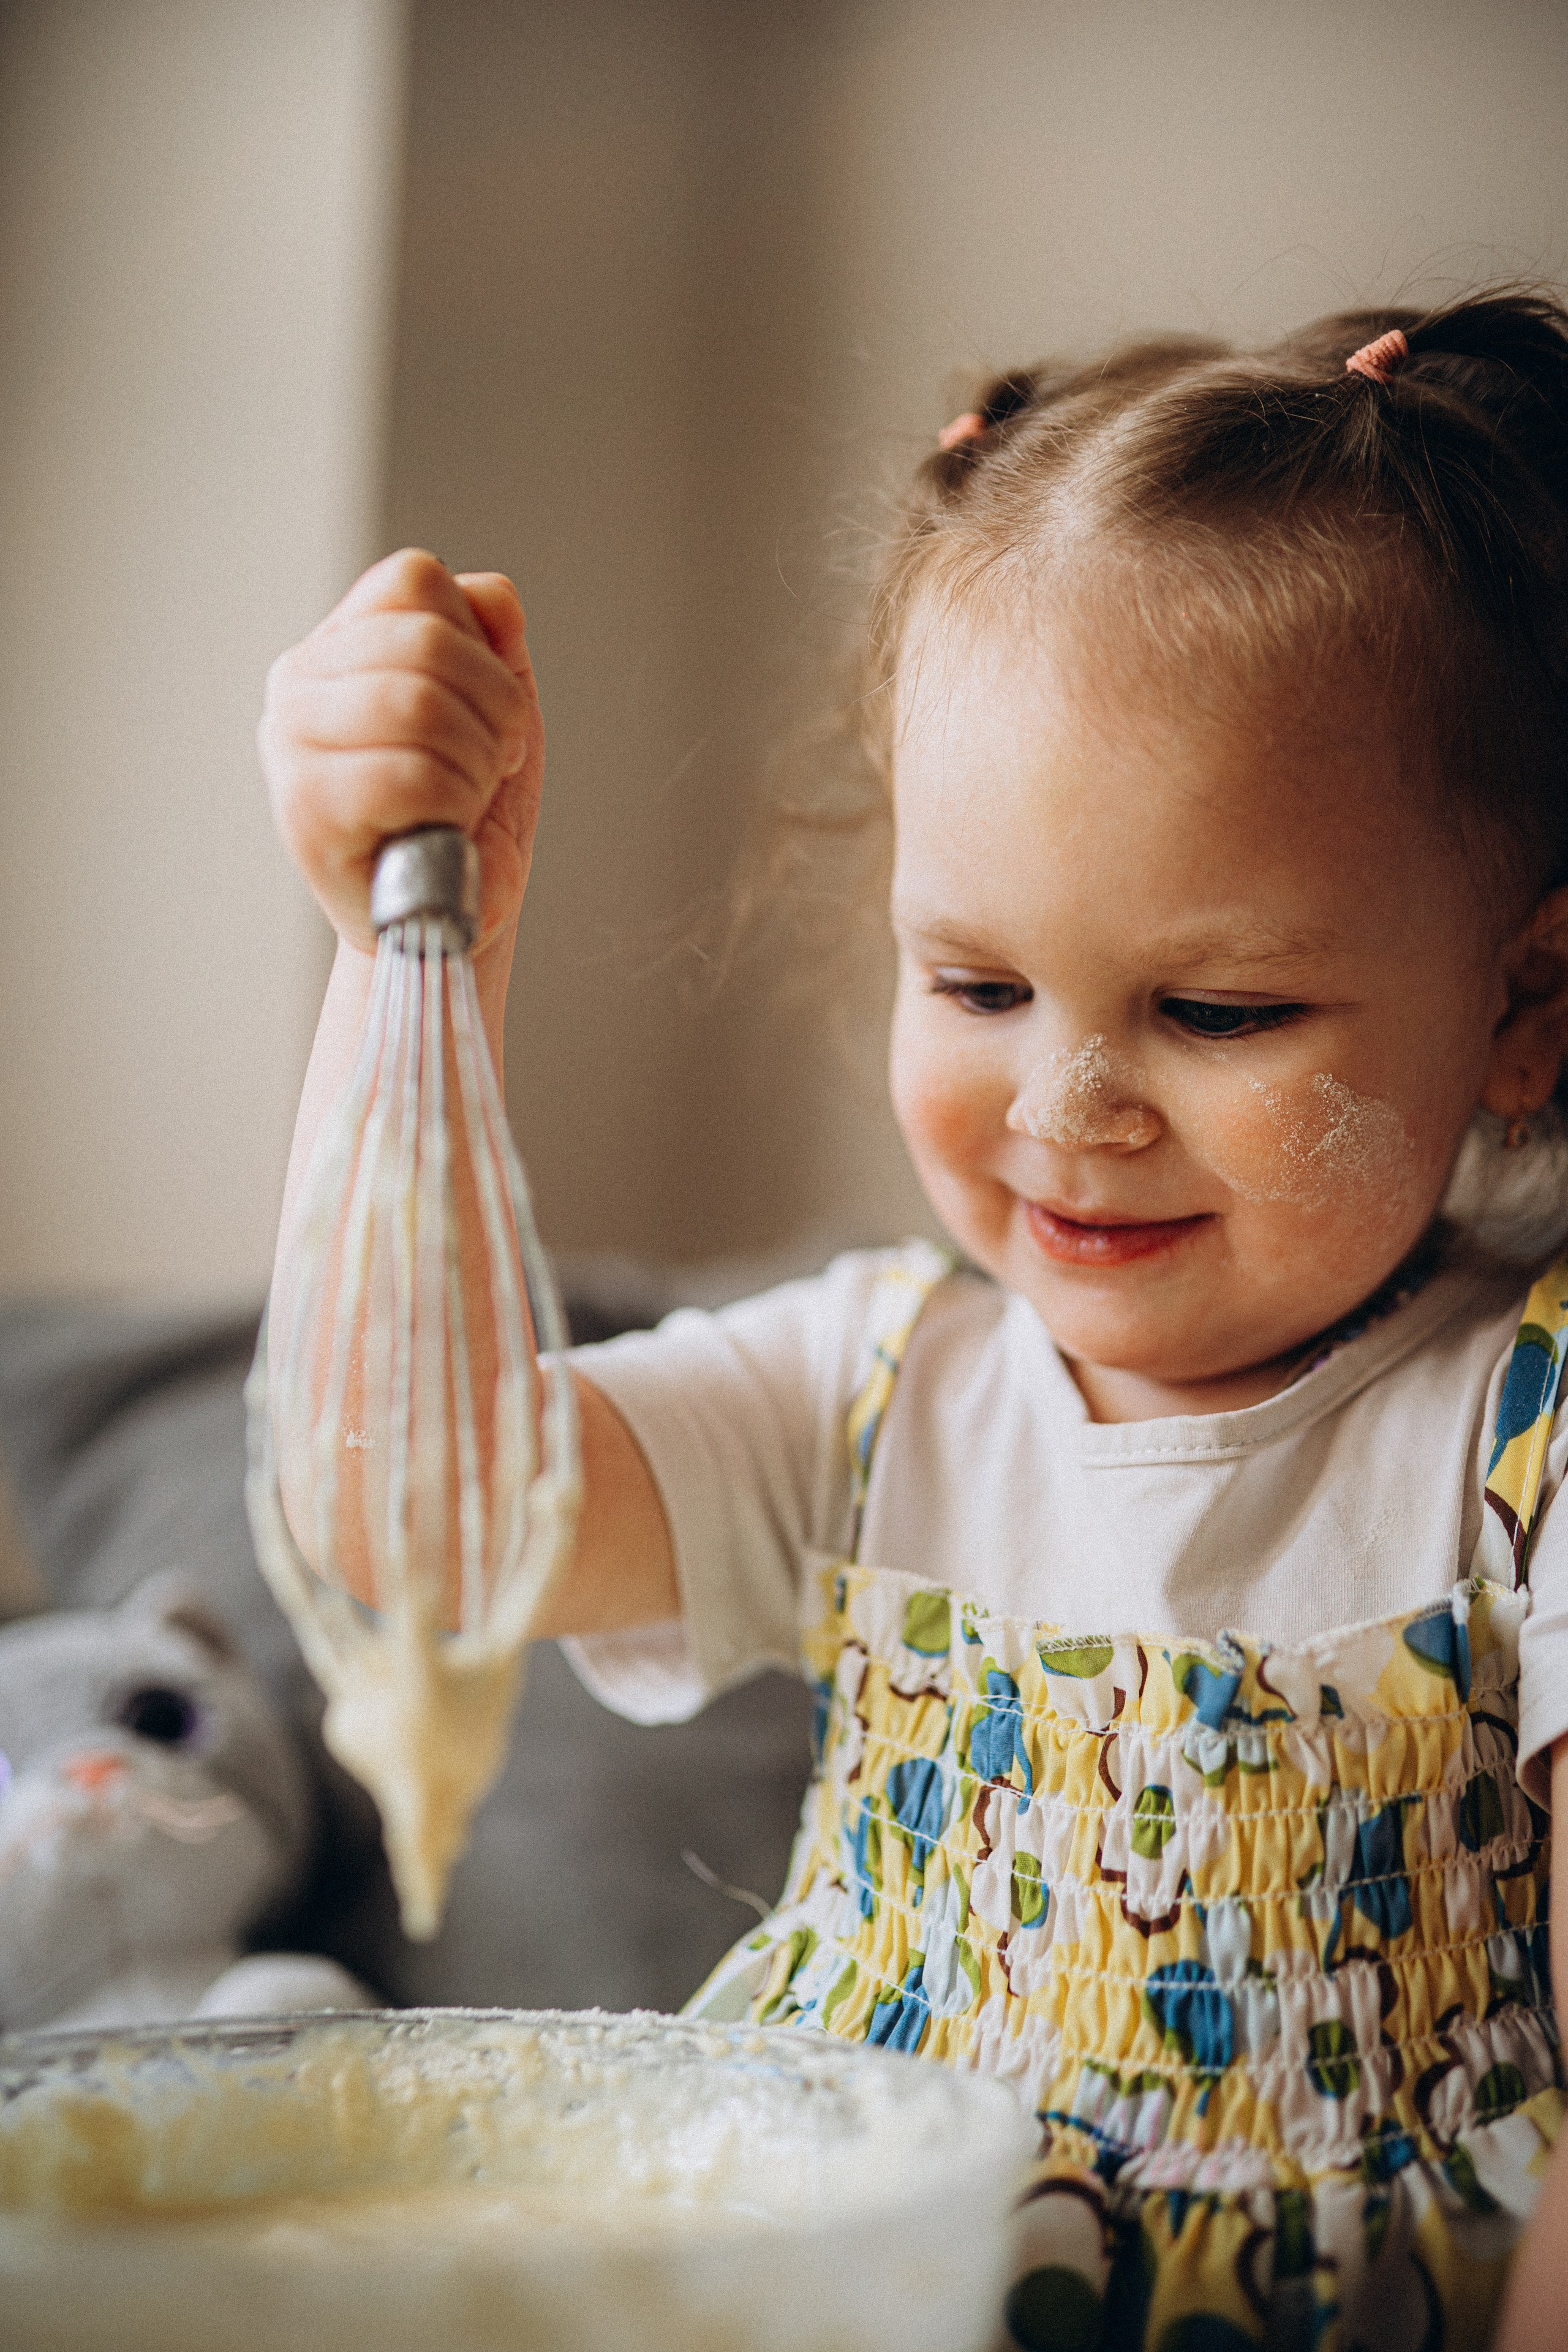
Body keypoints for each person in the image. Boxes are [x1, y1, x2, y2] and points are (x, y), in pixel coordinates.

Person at [260, 290, 1568, 2350]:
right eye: (976, 987)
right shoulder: (867, 1394)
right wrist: (409, 961)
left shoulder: (1529, 1443)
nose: (1067, 1109)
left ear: (1523, 1005)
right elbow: (403, 1519)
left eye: (1217, 1012)